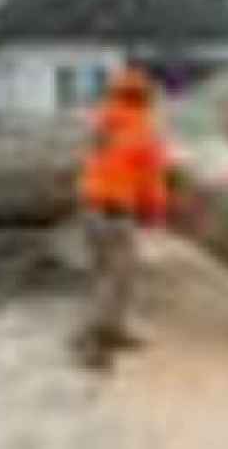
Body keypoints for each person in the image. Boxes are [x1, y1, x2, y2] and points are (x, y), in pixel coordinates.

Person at [76, 65, 170, 369]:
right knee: (117, 279)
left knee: (103, 275)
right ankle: (93, 345)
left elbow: (100, 164)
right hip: (115, 213)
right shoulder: (144, 132)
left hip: (90, 208)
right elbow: (152, 181)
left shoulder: (103, 123)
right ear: (145, 98)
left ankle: (113, 331)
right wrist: (155, 213)